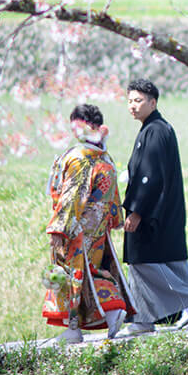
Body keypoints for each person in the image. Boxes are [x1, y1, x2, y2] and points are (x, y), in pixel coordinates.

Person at [118, 78, 188, 336]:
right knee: (169, 262)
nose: (132, 106)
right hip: (164, 211)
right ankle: (144, 319)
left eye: (138, 100)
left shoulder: (155, 130)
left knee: (142, 262)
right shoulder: (156, 128)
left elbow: (150, 174)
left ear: (153, 102)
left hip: (151, 212)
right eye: (129, 101)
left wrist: (136, 210)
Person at [42, 103, 134, 344]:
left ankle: (73, 328)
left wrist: (59, 228)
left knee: (74, 275)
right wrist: (111, 218)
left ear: (89, 126)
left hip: (77, 226)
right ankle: (113, 312)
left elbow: (72, 194)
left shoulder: (79, 157)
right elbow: (111, 193)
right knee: (93, 271)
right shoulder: (104, 156)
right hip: (98, 225)